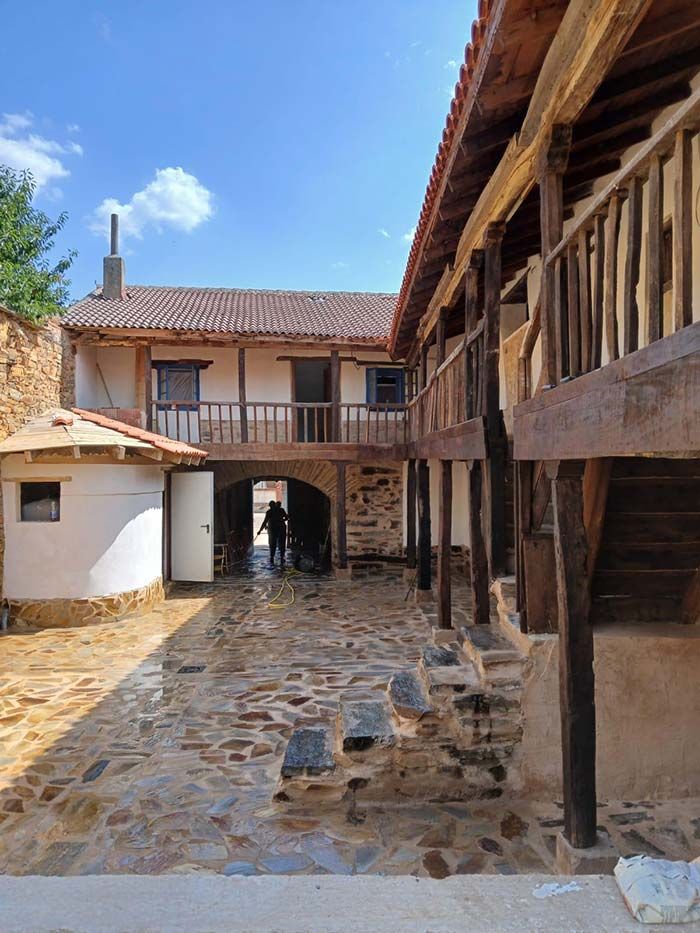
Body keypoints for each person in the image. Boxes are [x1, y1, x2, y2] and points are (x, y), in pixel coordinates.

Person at [258, 500, 288, 565]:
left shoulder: (269, 512)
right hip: (281, 528)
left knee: (272, 544)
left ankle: (272, 557)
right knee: (282, 543)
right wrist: (282, 520)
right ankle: (282, 557)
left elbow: (265, 522)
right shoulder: (281, 510)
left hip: (273, 529)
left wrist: (260, 530)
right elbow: (287, 517)